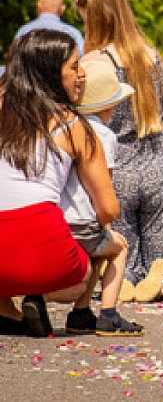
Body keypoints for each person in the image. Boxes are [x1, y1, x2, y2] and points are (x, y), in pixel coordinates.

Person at [77, 0, 163, 302]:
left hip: (119, 165)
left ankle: (122, 281)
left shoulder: (95, 62)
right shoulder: (151, 55)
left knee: (124, 251)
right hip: (157, 159)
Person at [0, 30, 108, 337]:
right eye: (75, 66)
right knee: (83, 275)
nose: (82, 73)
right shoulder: (72, 125)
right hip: (42, 242)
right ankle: (35, 294)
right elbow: (108, 208)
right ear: (49, 72)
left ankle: (7, 308)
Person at [59, 59, 143, 335]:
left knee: (97, 253)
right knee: (118, 247)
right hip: (84, 219)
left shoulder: (67, 126)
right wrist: (105, 222)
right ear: (110, 105)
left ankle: (81, 313)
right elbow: (101, 184)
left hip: (60, 220)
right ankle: (108, 313)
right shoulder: (104, 135)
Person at [15, 0, 85, 55]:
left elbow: (14, 59)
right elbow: (81, 58)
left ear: (38, 6)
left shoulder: (24, 31)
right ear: (62, 9)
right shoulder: (73, 33)